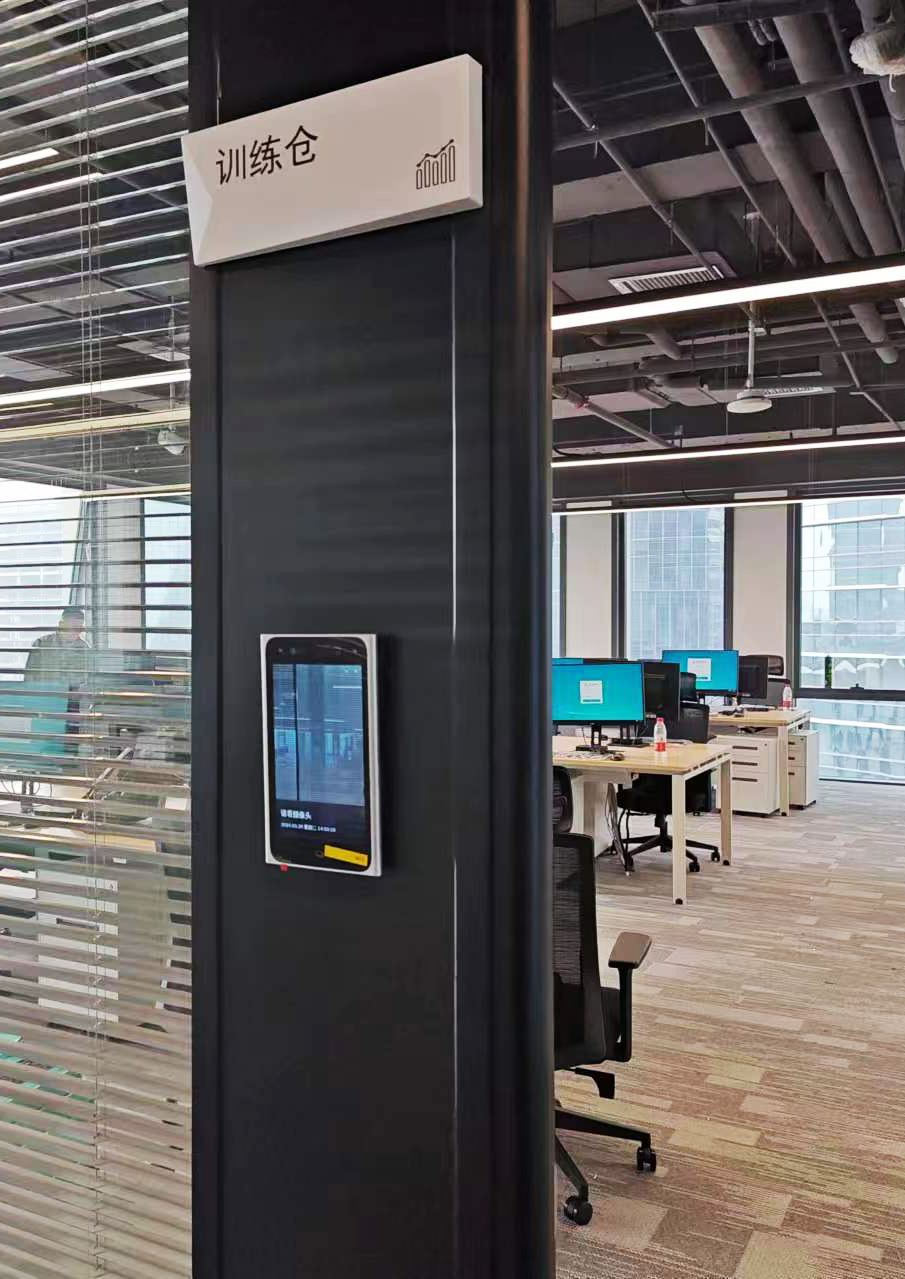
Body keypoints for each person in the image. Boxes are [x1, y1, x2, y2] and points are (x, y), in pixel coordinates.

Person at [24, 606, 90, 751]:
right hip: (44, 704)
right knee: (41, 747)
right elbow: (29, 677)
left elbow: (86, 682)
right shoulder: (41, 644)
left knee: (68, 749)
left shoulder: (85, 650)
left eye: (79, 628)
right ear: (61, 624)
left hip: (71, 707)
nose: (76, 632)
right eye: (72, 627)